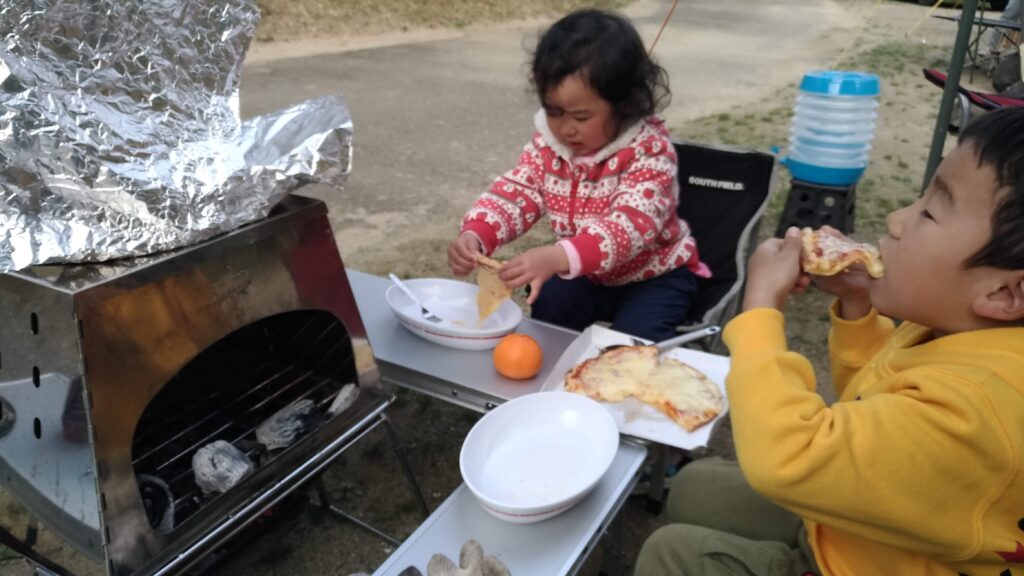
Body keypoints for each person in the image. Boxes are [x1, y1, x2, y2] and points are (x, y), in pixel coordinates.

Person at [635, 105, 1024, 575]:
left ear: (1004, 292)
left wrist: (760, 309)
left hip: (869, 563)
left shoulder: (980, 414)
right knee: (696, 485)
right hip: (865, 522)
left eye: (931, 213)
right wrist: (858, 309)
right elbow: (874, 401)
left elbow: (789, 458)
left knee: (670, 553)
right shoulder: (953, 331)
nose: (898, 219)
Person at [446, 9, 708, 343]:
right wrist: (478, 232)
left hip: (654, 277)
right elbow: (519, 190)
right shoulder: (550, 146)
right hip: (587, 274)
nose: (566, 128)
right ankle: (555, 380)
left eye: (581, 116)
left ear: (625, 104)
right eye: (553, 112)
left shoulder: (649, 152)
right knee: (550, 305)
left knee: (633, 342)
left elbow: (630, 226)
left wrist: (559, 256)